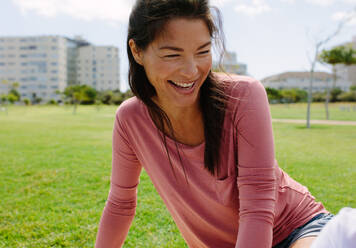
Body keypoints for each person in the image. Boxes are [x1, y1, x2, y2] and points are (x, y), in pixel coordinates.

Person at [95, 1, 332, 247]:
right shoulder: (130, 119)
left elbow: (257, 205)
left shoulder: (243, 95)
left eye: (202, 51)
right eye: (172, 55)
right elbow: (120, 204)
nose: (191, 71)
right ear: (137, 51)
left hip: (297, 229)